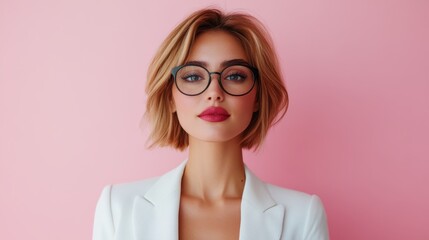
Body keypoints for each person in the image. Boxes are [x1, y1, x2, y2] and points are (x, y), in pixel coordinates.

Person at [93, 8, 329, 240]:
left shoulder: (303, 215)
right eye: (193, 76)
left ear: (257, 97)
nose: (214, 93)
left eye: (235, 76)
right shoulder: (117, 208)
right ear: (170, 97)